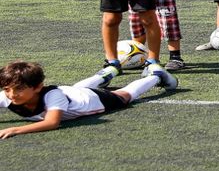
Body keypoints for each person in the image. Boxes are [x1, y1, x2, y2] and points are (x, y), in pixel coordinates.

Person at [0, 60, 177, 139]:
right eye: (7, 89)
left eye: (19, 89)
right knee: (78, 88)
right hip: (72, 92)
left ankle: (156, 76)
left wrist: (16, 129)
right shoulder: (8, 97)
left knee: (124, 96)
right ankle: (106, 73)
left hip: (90, 101)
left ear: (38, 87)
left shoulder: (52, 96)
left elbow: (52, 123)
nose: (12, 94)